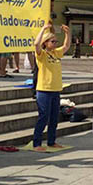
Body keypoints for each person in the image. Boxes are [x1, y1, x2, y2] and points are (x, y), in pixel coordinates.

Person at [33, 22, 71, 151]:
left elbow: (66, 46)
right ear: (46, 43)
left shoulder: (56, 53)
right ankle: (37, 143)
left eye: (56, 41)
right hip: (44, 90)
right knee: (43, 117)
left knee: (54, 118)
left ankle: (51, 141)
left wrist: (68, 33)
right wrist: (43, 29)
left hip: (55, 89)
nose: (55, 44)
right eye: (52, 42)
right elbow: (36, 44)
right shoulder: (42, 55)